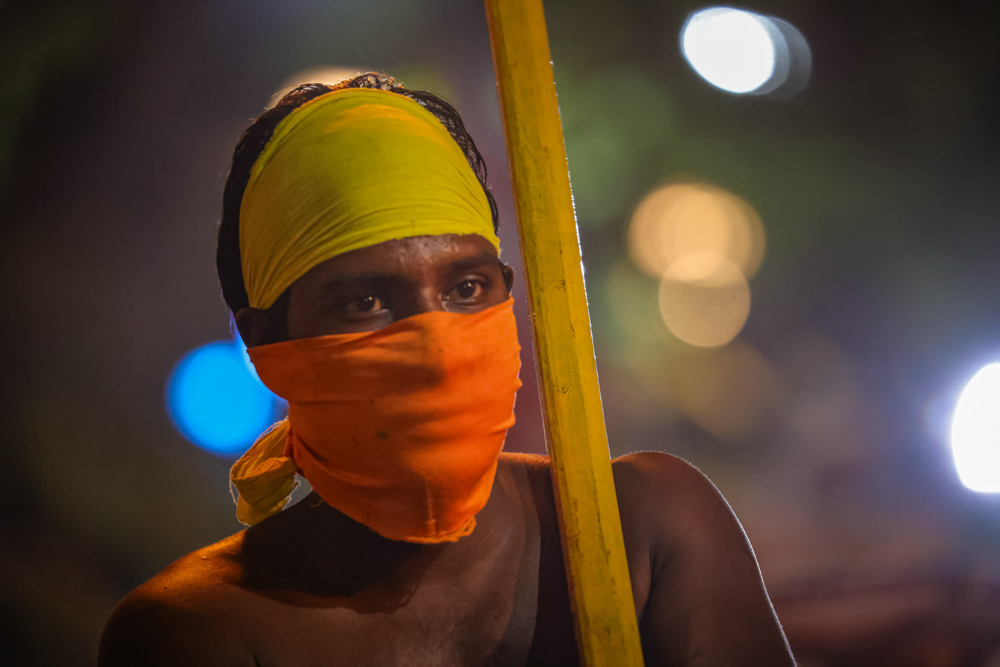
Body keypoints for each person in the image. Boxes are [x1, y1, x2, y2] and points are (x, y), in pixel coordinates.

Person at [98, 72, 796, 666]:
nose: (435, 346)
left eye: (465, 288)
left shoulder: (644, 529)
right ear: (266, 346)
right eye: (366, 300)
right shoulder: (199, 628)